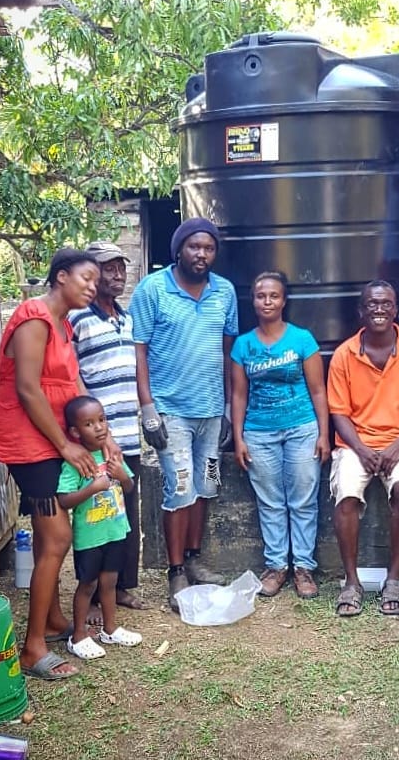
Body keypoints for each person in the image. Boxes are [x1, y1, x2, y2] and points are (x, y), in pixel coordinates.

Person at [0, 248, 120, 680]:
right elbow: (27, 388)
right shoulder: (33, 316)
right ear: (61, 276)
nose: (93, 286)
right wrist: (66, 446)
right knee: (57, 539)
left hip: (54, 441)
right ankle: (32, 647)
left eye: (96, 281)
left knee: (48, 542)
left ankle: (55, 621)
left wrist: (106, 440)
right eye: (86, 277)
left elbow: (75, 384)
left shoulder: (62, 325)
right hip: (30, 444)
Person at [129, 217, 238, 610]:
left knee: (205, 487)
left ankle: (193, 559)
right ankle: (175, 570)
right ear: (179, 249)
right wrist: (148, 410)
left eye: (209, 248)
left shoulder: (224, 292)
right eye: (195, 247)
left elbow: (227, 353)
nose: (202, 254)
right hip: (170, 412)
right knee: (179, 489)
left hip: (210, 412)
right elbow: (138, 350)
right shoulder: (153, 289)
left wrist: (227, 407)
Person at [327, 280, 399, 617]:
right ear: (361, 311)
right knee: (346, 494)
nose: (379, 309)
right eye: (372, 304)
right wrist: (361, 449)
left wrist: (397, 446)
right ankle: (351, 582)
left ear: (395, 309)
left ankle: (393, 579)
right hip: (356, 444)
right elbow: (339, 413)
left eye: (386, 304)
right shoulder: (344, 354)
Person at [231, 271, 330, 599]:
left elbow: (318, 390)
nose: (267, 301)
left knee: (303, 499)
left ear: (284, 300)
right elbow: (238, 396)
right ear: (253, 301)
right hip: (259, 433)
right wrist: (239, 438)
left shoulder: (302, 339)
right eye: (261, 296)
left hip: (302, 428)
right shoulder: (243, 345)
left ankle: (303, 567)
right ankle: (276, 567)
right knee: (270, 501)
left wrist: (323, 434)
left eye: (274, 295)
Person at [70, 241, 147, 617]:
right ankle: (91, 589)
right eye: (108, 268)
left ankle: (120, 588)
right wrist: (98, 437)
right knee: (94, 512)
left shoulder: (127, 318)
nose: (117, 275)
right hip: (94, 437)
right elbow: (73, 376)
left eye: (121, 268)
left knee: (125, 513)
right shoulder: (78, 318)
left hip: (127, 434)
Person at [57, 395, 142, 659]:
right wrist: (93, 487)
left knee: (110, 582)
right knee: (87, 584)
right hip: (90, 537)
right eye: (89, 423)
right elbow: (63, 499)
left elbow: (128, 488)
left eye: (102, 420)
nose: (99, 427)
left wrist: (122, 475)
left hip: (115, 531)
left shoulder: (113, 455)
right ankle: (78, 636)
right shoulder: (77, 462)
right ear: (74, 431)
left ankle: (110, 629)